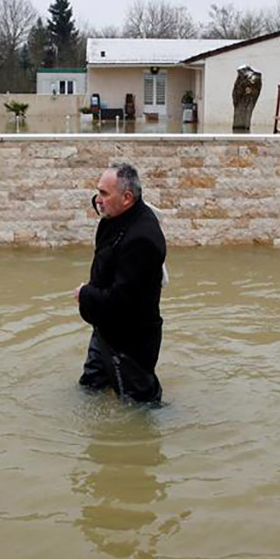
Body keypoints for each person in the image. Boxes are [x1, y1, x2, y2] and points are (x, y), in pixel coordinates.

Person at [74, 163, 166, 403]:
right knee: (90, 388)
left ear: (126, 198)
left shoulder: (142, 239)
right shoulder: (117, 216)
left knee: (140, 407)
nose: (98, 200)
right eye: (98, 192)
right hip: (105, 325)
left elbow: (122, 301)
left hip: (129, 341)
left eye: (104, 194)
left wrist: (85, 294)